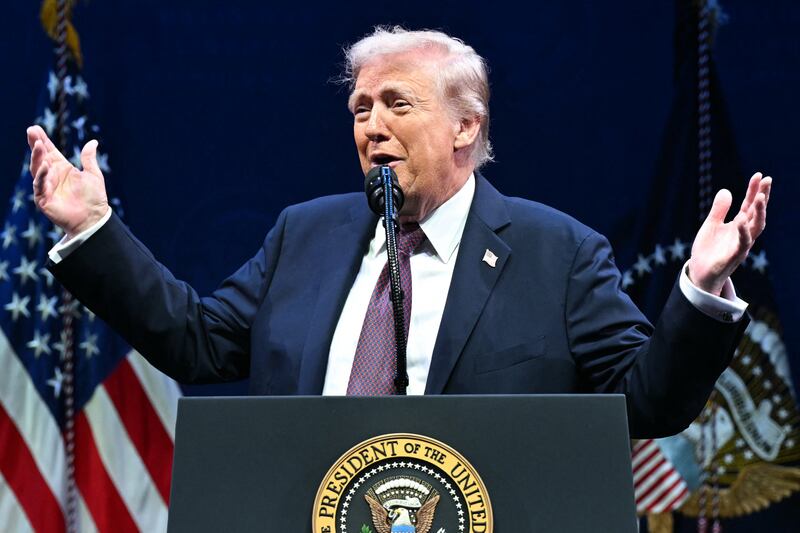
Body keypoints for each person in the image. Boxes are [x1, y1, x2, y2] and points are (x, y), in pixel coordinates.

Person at [26, 27, 770, 437]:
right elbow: (195, 341)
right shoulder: (303, 236)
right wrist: (94, 229)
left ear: (466, 126)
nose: (371, 126)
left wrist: (701, 292)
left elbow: (646, 403)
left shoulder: (559, 253)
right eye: (360, 109)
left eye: (397, 105)